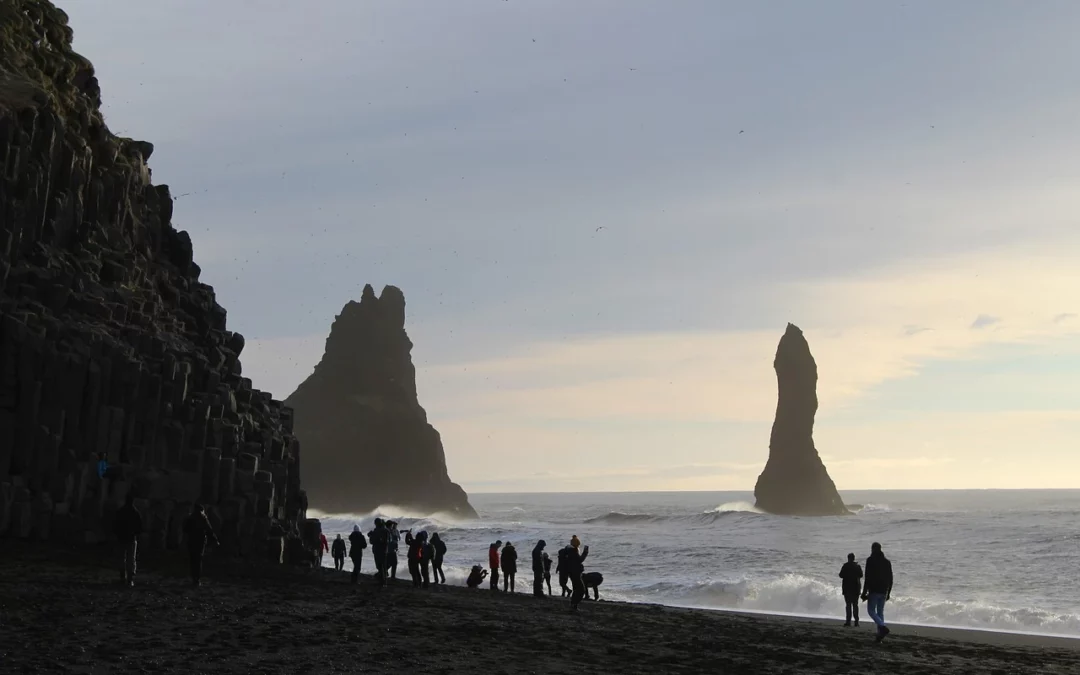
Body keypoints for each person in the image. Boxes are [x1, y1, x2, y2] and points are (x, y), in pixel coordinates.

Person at [861, 542, 894, 642]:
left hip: (874, 589)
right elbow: (891, 578)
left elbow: (867, 577)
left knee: (871, 611)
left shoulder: (870, 560)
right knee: (880, 612)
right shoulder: (887, 562)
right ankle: (880, 635)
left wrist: (864, 592)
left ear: (873, 549)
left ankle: (882, 627)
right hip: (884, 590)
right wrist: (889, 592)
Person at [182, 504, 220, 587]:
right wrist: (215, 540)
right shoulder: (203, 518)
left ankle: (194, 577)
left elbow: (185, 530)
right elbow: (209, 530)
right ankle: (197, 579)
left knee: (193, 559)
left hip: (191, 541)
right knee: (198, 560)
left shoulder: (190, 518)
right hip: (200, 541)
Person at [113, 493, 143, 587]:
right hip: (131, 538)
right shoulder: (135, 512)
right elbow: (139, 526)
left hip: (121, 537)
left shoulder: (120, 511)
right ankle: (130, 578)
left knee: (121, 558)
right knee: (131, 559)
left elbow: (115, 524)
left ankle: (122, 577)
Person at [564, 537, 590, 610]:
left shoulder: (568, 551)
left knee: (576, 589)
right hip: (576, 574)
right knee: (581, 590)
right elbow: (580, 560)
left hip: (572, 573)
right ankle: (574, 604)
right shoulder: (574, 551)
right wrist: (585, 552)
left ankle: (573, 605)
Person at [839, 552, 864, 627]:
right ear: (854, 558)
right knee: (855, 605)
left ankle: (848, 621)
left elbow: (841, 575)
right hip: (856, 588)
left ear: (848, 558)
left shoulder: (845, 566)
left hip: (847, 588)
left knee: (848, 605)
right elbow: (861, 575)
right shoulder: (857, 566)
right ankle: (856, 622)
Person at [368, 518, 390, 586]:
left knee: (380, 566)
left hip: (379, 550)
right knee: (382, 566)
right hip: (382, 550)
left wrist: (372, 536)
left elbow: (372, 541)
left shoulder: (379, 531)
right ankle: (383, 581)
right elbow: (388, 540)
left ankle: (383, 581)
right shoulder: (385, 530)